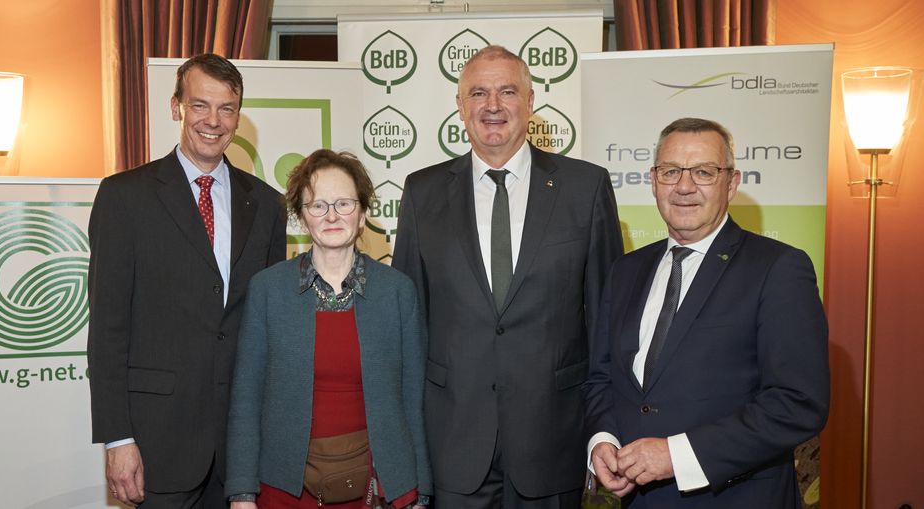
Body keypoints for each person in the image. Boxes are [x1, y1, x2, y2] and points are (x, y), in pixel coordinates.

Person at [391, 45, 623, 508]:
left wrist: (605, 428)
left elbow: (607, 320)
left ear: (531, 101)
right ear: (460, 107)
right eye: (478, 92)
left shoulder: (585, 187)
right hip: (453, 443)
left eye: (507, 91)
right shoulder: (422, 191)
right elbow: (407, 323)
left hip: (552, 439)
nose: (492, 105)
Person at [583, 117, 830, 508]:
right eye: (670, 172)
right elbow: (601, 376)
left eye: (703, 172)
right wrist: (603, 440)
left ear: (731, 183)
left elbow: (798, 402)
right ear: (653, 180)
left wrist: (677, 456)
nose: (684, 186)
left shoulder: (778, 268)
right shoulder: (626, 270)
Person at [88, 53, 287, 508]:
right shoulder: (124, 197)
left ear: (239, 114)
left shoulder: (268, 205)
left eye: (227, 108)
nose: (213, 121)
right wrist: (117, 438)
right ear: (175, 106)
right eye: (200, 105)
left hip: (240, 446)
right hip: (157, 443)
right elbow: (107, 329)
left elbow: (270, 328)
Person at [225, 149, 431, 509]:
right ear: (302, 218)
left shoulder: (398, 292)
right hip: (283, 489)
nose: (332, 216)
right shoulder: (268, 290)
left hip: (375, 487)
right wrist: (242, 492)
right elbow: (246, 398)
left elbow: (414, 401)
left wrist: (419, 491)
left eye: (344, 204)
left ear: (364, 214)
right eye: (317, 205)